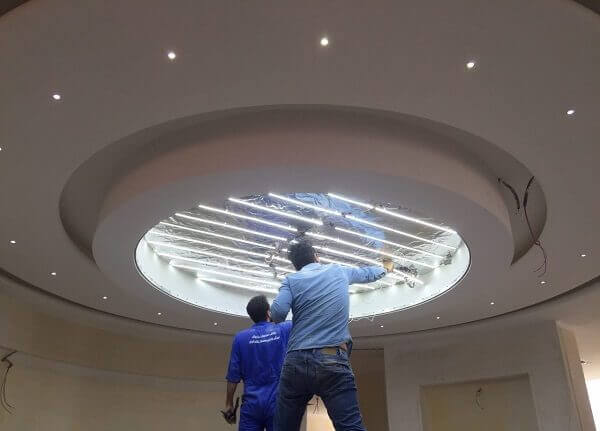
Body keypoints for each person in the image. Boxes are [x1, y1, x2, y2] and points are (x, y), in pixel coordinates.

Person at [270, 239, 393, 431]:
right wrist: (386, 268)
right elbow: (368, 274)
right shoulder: (338, 271)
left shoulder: (291, 280)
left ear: (295, 265)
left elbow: (278, 314)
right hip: (332, 358)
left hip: (296, 361)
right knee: (350, 427)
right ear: (316, 257)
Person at [224, 295, 293, 431]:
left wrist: (229, 403)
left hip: (251, 406)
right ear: (268, 312)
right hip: (277, 403)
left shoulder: (240, 338)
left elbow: (233, 377)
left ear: (251, 316)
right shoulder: (284, 329)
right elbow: (305, 318)